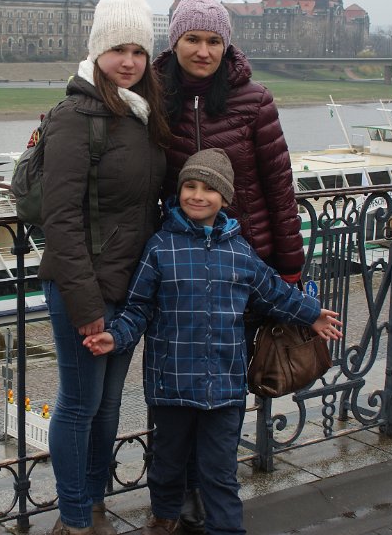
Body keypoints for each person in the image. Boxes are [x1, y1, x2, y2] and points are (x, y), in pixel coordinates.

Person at [83, 149, 342, 535]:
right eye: (190, 186)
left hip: (225, 385)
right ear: (179, 192)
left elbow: (274, 293)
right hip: (171, 383)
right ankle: (165, 516)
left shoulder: (239, 252)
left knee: (220, 471)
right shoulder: (160, 248)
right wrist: (115, 336)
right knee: (167, 462)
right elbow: (138, 309)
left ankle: (226, 529)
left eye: (208, 189)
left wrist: (311, 313)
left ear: (224, 197)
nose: (197, 195)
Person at [153, 0, 306, 531]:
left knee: (223, 391)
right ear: (175, 42)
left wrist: (289, 267)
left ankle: (212, 496)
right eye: (193, 39)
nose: (203, 50)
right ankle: (180, 499)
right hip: (178, 271)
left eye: (214, 40)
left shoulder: (254, 101)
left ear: (226, 46)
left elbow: (279, 188)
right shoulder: (155, 97)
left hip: (245, 269)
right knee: (176, 389)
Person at [38, 0, 171, 535]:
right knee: (79, 403)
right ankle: (73, 519)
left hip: (129, 286)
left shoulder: (141, 112)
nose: (129, 61)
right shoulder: (75, 116)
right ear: (97, 51)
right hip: (85, 288)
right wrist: (87, 306)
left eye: (139, 51)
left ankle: (94, 506)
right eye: (118, 49)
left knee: (109, 404)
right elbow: (60, 218)